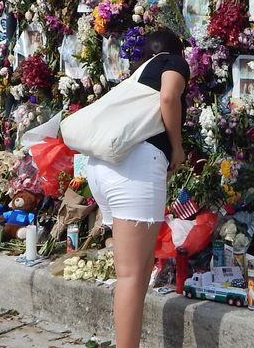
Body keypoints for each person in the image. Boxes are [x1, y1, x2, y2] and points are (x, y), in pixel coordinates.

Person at [84, 29, 188, 348]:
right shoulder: (172, 62)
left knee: (139, 271)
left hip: (103, 168)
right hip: (134, 171)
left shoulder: (136, 77)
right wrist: (178, 148)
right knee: (132, 275)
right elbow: (169, 97)